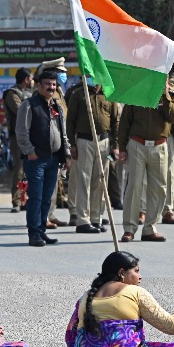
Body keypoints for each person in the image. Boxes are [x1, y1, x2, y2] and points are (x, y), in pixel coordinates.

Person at [66, 251, 174, 347]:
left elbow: (71, 339)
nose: (140, 276)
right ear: (121, 273)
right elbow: (171, 327)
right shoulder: (136, 292)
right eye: (136, 271)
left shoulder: (85, 297)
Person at [16, 70, 71, 247]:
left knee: (47, 198)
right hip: (36, 159)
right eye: (47, 84)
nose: (51, 87)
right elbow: (21, 132)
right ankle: (34, 233)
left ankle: (42, 231)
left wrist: (66, 154)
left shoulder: (57, 106)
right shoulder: (29, 105)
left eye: (54, 85)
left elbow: (63, 134)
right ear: (39, 86)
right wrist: (30, 152)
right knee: (36, 197)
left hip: (54, 159)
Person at [119, 80, 174, 242]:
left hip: (160, 146)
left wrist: (165, 95)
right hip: (137, 144)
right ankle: (129, 229)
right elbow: (125, 122)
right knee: (134, 187)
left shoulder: (171, 95)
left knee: (159, 189)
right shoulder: (135, 93)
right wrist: (122, 147)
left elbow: (172, 117)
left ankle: (150, 228)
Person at [66, 80, 119, 234]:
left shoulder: (109, 93)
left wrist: (115, 146)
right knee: (84, 180)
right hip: (84, 140)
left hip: (104, 141)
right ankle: (83, 220)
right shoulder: (79, 94)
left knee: (101, 179)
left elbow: (115, 121)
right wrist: (72, 144)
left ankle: (96, 217)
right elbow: (70, 121)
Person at [3, 67, 33, 213]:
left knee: (31, 169)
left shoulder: (32, 93)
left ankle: (26, 199)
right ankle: (16, 200)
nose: (33, 81)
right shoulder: (12, 94)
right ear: (26, 79)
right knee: (19, 168)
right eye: (31, 78)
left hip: (32, 136)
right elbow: (21, 110)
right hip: (19, 136)